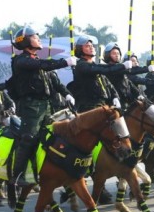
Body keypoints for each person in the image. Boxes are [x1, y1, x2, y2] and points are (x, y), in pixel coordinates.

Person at [9, 26, 77, 188]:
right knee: (29, 137)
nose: (38, 38)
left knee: (59, 135)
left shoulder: (37, 63)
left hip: (48, 105)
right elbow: (43, 65)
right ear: (25, 41)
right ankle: (17, 175)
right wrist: (64, 62)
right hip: (31, 106)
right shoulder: (21, 60)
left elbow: (56, 82)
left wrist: (67, 93)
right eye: (34, 36)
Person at [70, 36, 125, 112]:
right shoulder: (81, 65)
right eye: (87, 46)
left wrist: (115, 97)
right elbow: (104, 69)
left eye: (92, 46)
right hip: (88, 107)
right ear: (80, 49)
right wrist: (123, 66)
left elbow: (108, 84)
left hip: (102, 105)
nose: (91, 48)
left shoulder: (95, 66)